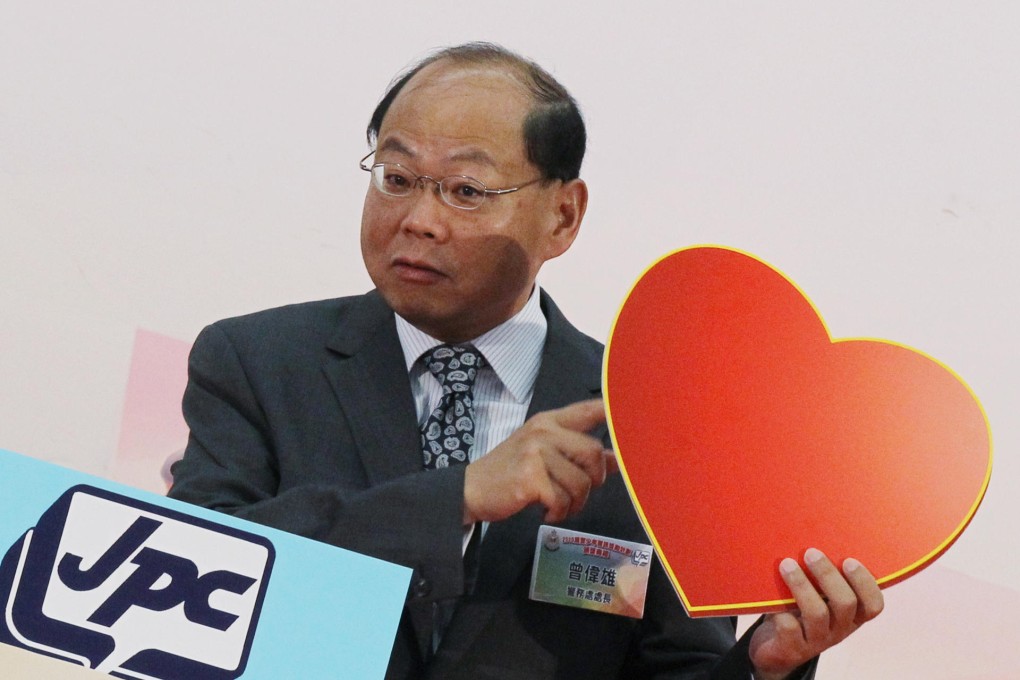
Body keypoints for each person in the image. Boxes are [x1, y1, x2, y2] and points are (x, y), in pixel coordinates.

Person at [168, 42, 883, 679]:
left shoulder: (656, 423)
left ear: (563, 216)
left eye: (468, 191)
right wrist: (460, 497)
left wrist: (765, 670)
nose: (419, 217)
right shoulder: (257, 364)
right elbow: (185, 573)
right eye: (397, 176)